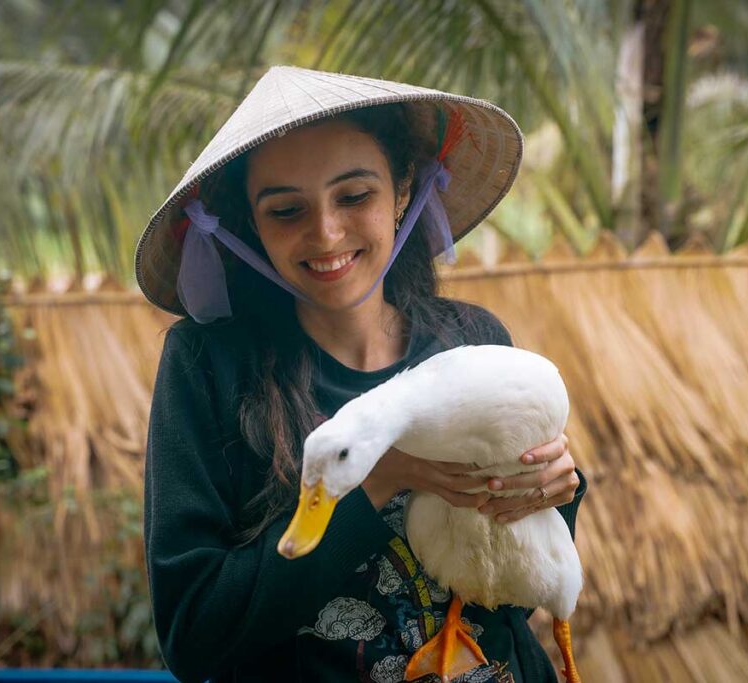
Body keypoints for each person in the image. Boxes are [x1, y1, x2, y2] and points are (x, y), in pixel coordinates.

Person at [136, 66, 586, 683]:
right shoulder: (207, 368)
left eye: (354, 196)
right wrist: (376, 481)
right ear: (251, 223)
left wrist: (554, 492)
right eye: (287, 209)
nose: (325, 233)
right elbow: (195, 637)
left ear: (402, 189)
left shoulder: (473, 341)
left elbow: (514, 599)